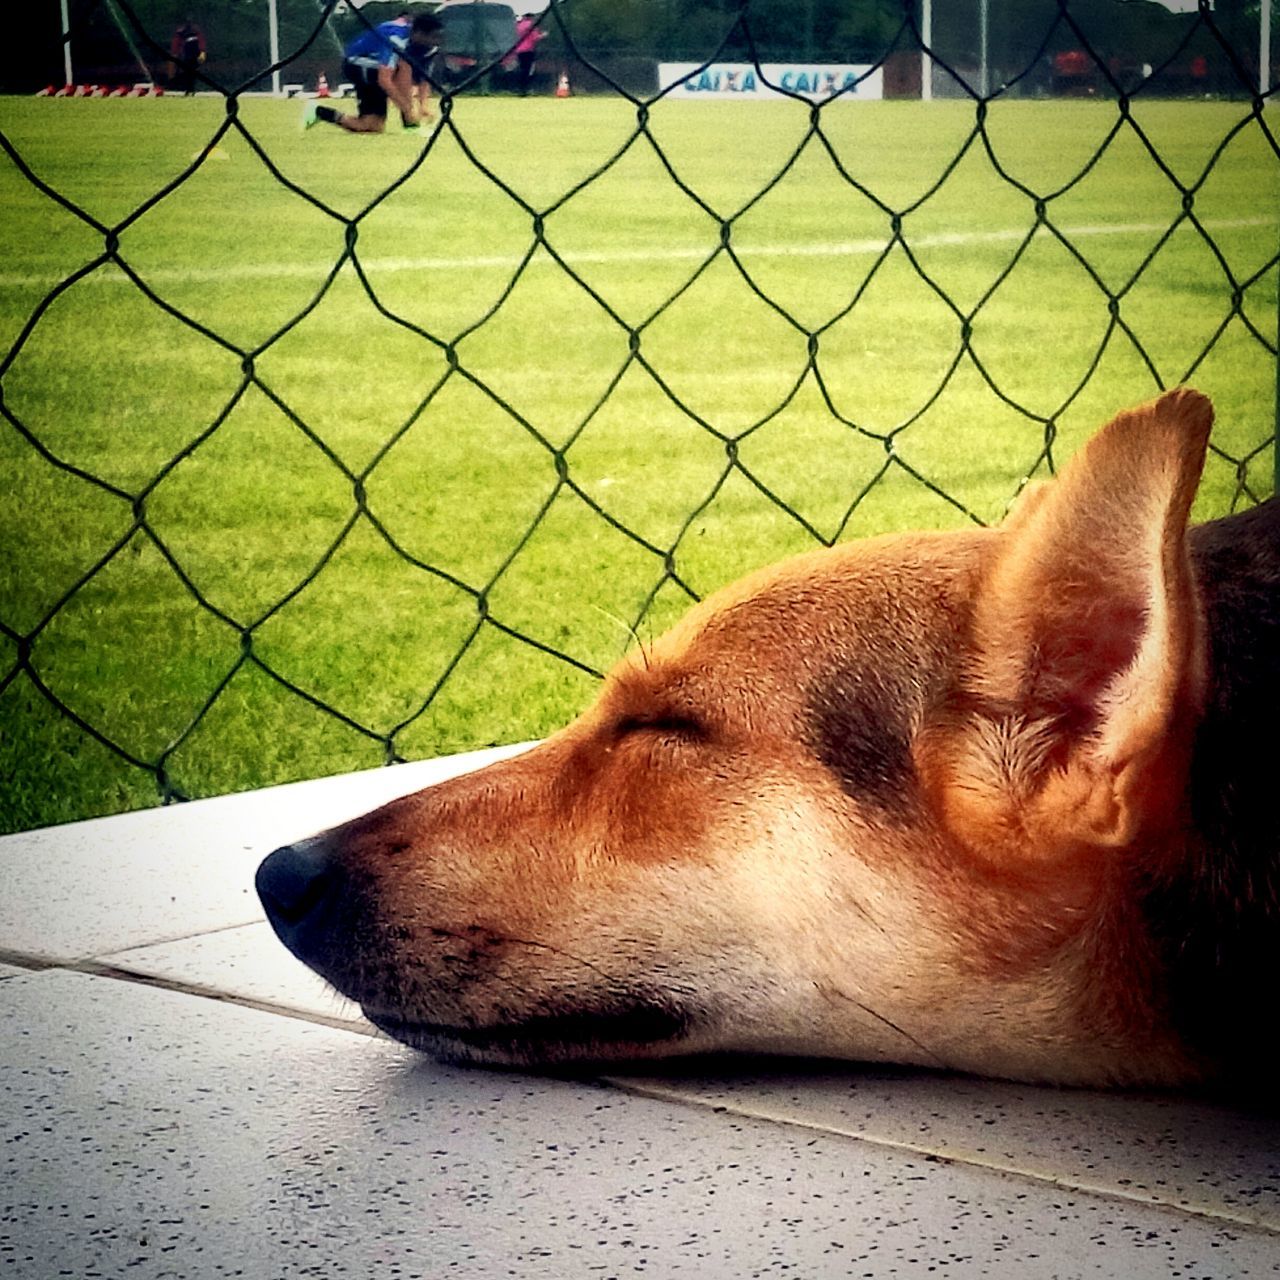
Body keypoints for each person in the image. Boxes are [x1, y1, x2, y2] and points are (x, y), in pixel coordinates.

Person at [305, 12, 442, 135]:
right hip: (358, 64)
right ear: (419, 34)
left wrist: (424, 106)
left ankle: (319, 112)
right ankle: (411, 124)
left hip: (378, 68)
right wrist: (407, 109)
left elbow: (424, 78)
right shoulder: (396, 38)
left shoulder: (429, 46)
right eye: (433, 37)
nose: (436, 41)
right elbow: (384, 79)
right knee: (404, 66)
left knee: (371, 126)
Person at [512, 14, 547, 97]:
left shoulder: (519, 25)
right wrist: (543, 35)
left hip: (520, 50)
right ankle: (525, 89)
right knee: (528, 70)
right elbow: (535, 38)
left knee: (522, 69)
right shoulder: (532, 25)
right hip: (528, 50)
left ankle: (520, 88)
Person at [170, 18, 206, 95]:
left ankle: (191, 89)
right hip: (186, 56)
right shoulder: (181, 33)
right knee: (188, 72)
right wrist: (176, 54)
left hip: (192, 55)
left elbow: (200, 42)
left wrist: (202, 52)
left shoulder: (195, 33)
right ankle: (188, 89)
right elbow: (176, 44)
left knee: (191, 72)